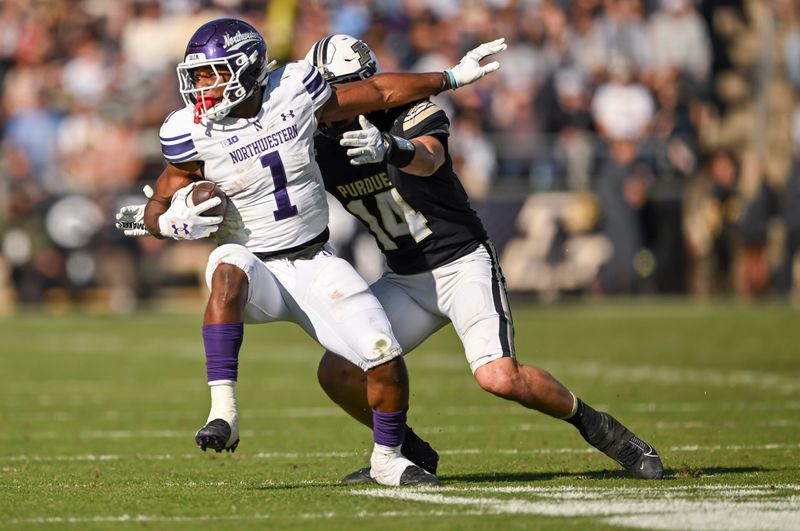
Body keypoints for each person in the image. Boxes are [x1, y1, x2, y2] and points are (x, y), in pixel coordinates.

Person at [116, 18, 506, 487]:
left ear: (244, 67)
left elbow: (378, 92)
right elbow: (158, 203)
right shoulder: (190, 130)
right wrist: (170, 222)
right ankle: (224, 411)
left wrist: (452, 77)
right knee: (228, 270)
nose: (200, 87)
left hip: (313, 261)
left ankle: (391, 457)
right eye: (197, 75)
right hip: (255, 263)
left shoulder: (295, 87)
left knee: (382, 354)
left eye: (211, 73)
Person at [305, 34, 664, 482]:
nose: (322, 105)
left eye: (333, 93)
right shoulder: (315, 144)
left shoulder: (409, 113)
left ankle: (603, 429)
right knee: (336, 370)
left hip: (460, 263)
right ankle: (404, 453)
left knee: (500, 377)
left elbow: (430, 159)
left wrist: (390, 149)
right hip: (404, 276)